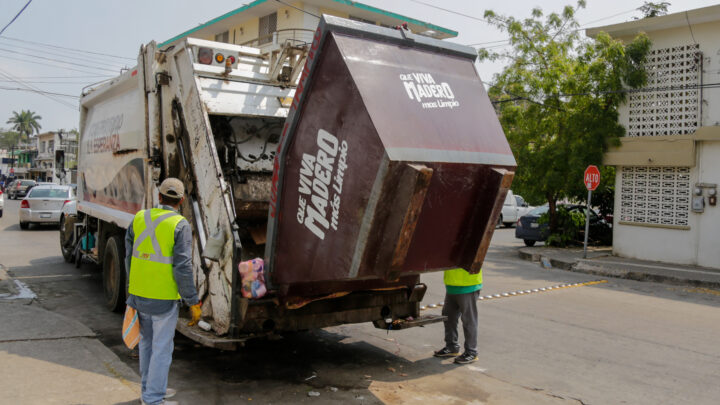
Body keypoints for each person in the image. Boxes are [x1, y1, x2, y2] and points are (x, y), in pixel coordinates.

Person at [125, 177, 202, 405]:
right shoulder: (180, 225)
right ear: (181, 200)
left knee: (147, 344)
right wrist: (193, 301)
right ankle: (153, 399)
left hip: (139, 295)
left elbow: (129, 256)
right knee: (161, 349)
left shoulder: (140, 217)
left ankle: (149, 390)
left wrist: (132, 288)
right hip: (163, 299)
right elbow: (183, 267)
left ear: (159, 197)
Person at [433, 267, 482, 364]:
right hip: (452, 285)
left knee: (468, 320)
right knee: (448, 316)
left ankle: (471, 352)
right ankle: (452, 347)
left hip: (468, 284)